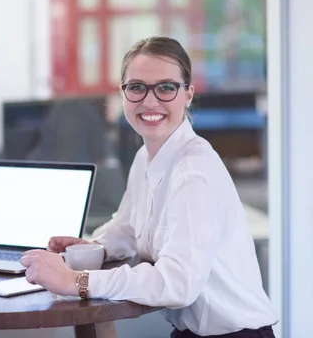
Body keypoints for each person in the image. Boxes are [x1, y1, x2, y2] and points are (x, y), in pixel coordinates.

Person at [20, 36, 277, 337]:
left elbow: (178, 283)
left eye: (166, 87)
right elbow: (128, 227)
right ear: (123, 93)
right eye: (137, 87)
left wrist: (78, 281)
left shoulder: (193, 171)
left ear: (189, 95)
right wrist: (94, 248)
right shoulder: (147, 156)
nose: (150, 101)